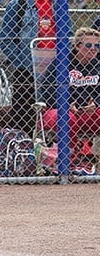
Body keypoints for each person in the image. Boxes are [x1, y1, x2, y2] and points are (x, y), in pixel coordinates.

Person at [0, 0, 63, 138]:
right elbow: (6, 40)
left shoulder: (57, 3)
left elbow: (68, 35)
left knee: (54, 114)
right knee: (23, 117)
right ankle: (23, 154)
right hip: (27, 70)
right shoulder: (18, 5)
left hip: (54, 70)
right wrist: (23, 62)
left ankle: (53, 154)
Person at [40, 27, 100, 174]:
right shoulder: (62, 62)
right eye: (88, 45)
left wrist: (96, 103)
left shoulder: (98, 64)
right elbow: (46, 91)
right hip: (59, 110)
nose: (93, 49)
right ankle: (69, 163)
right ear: (77, 46)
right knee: (67, 118)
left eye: (97, 46)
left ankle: (92, 162)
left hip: (89, 112)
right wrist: (64, 105)